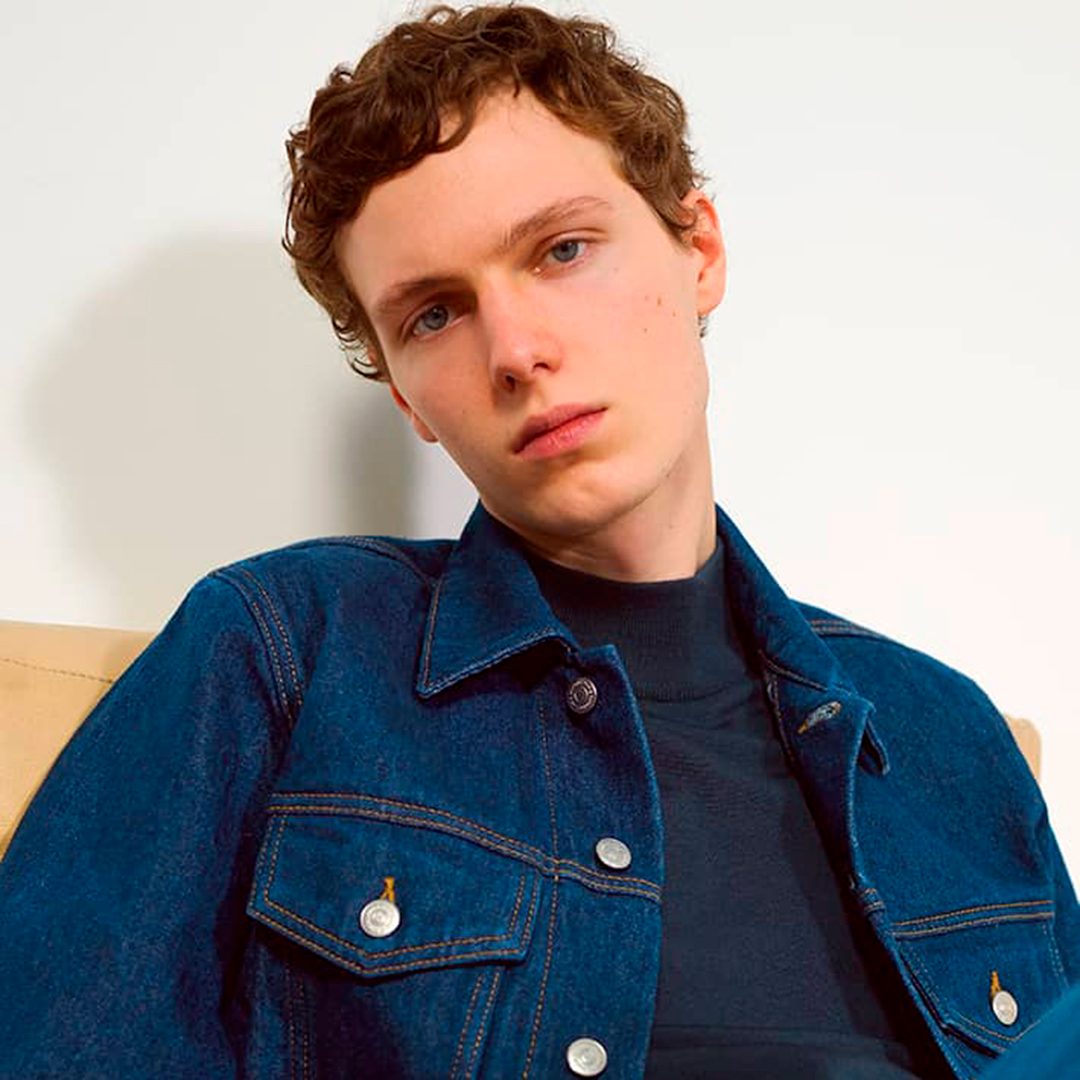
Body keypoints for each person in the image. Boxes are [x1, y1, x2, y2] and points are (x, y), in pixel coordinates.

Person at [1, 5, 1077, 1078]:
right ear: (409, 399)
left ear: (699, 249)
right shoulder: (282, 651)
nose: (515, 351)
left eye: (563, 250)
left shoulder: (952, 741)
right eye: (433, 315)